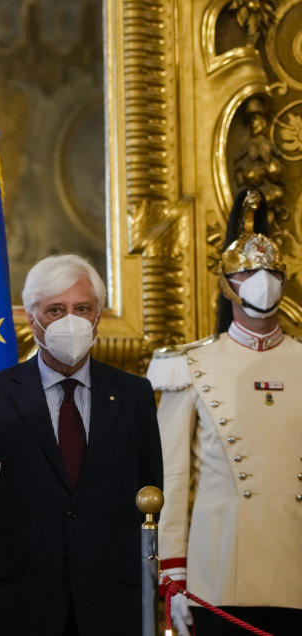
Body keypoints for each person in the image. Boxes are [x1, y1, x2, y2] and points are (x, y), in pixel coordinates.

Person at [0, 253, 163, 636]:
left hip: (111, 602)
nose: (71, 320)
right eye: (55, 310)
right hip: (16, 603)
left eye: (82, 308)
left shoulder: (134, 395)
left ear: (98, 316)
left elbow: (151, 492)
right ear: (31, 318)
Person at [147, 189, 302, 635]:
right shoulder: (189, 364)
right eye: (249, 271)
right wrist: (173, 576)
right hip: (218, 578)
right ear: (227, 282)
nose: (262, 280)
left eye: (271, 270)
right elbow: (172, 480)